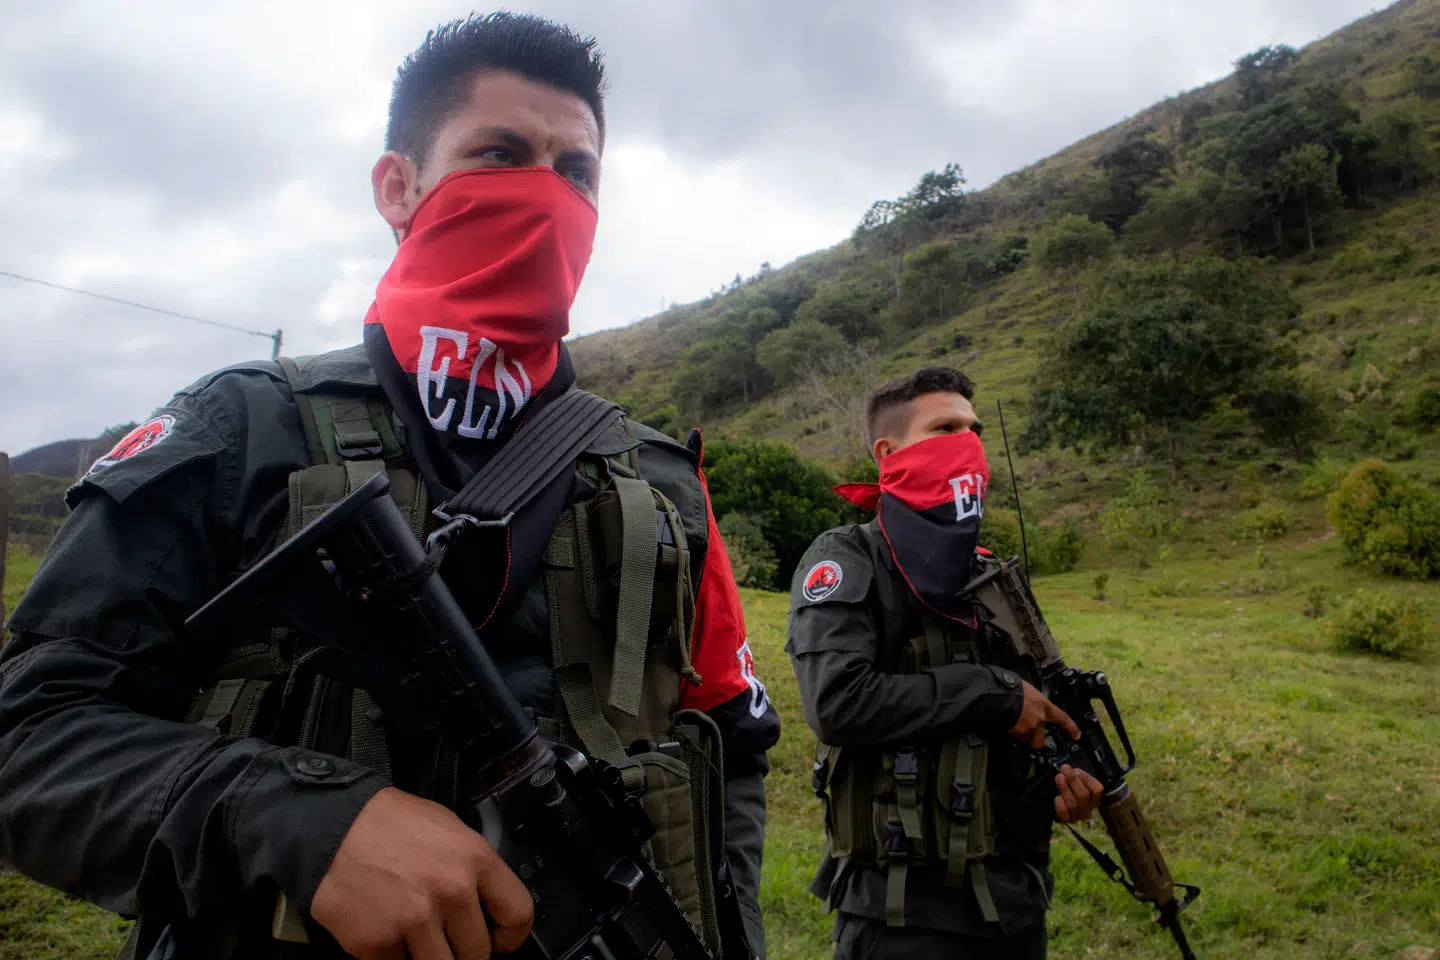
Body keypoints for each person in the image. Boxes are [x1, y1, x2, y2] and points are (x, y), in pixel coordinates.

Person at [0, 13, 779, 960]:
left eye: (576, 172)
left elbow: (728, 751)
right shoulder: (240, 429)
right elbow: (32, 736)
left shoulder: (659, 482)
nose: (545, 192)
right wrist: (294, 817)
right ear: (397, 187)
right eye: (498, 153)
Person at [785, 367, 1103, 960]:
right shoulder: (849, 558)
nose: (969, 444)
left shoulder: (991, 572)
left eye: (974, 429)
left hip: (1012, 905)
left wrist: (1065, 781)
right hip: (903, 915)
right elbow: (836, 703)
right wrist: (989, 693)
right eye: (946, 428)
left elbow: (1034, 709)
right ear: (888, 452)